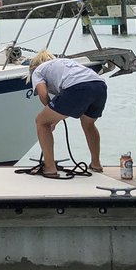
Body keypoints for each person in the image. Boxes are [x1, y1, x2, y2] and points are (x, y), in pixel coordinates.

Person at [26, 50, 106, 178]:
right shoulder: (65, 63)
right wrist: (54, 119)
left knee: (41, 122)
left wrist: (48, 119)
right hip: (99, 86)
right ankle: (96, 164)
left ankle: (49, 168)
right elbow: (67, 103)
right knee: (89, 124)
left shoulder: (38, 71)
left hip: (76, 87)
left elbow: (43, 94)